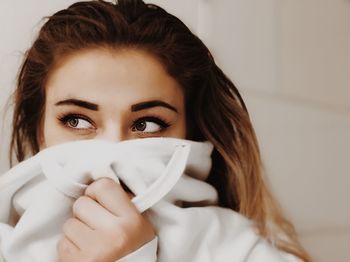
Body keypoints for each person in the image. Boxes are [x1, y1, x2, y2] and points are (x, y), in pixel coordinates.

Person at [5, 0, 310, 261]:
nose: (109, 161)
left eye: (146, 124)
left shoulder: (245, 252)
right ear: (39, 132)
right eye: (77, 121)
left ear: (191, 133)